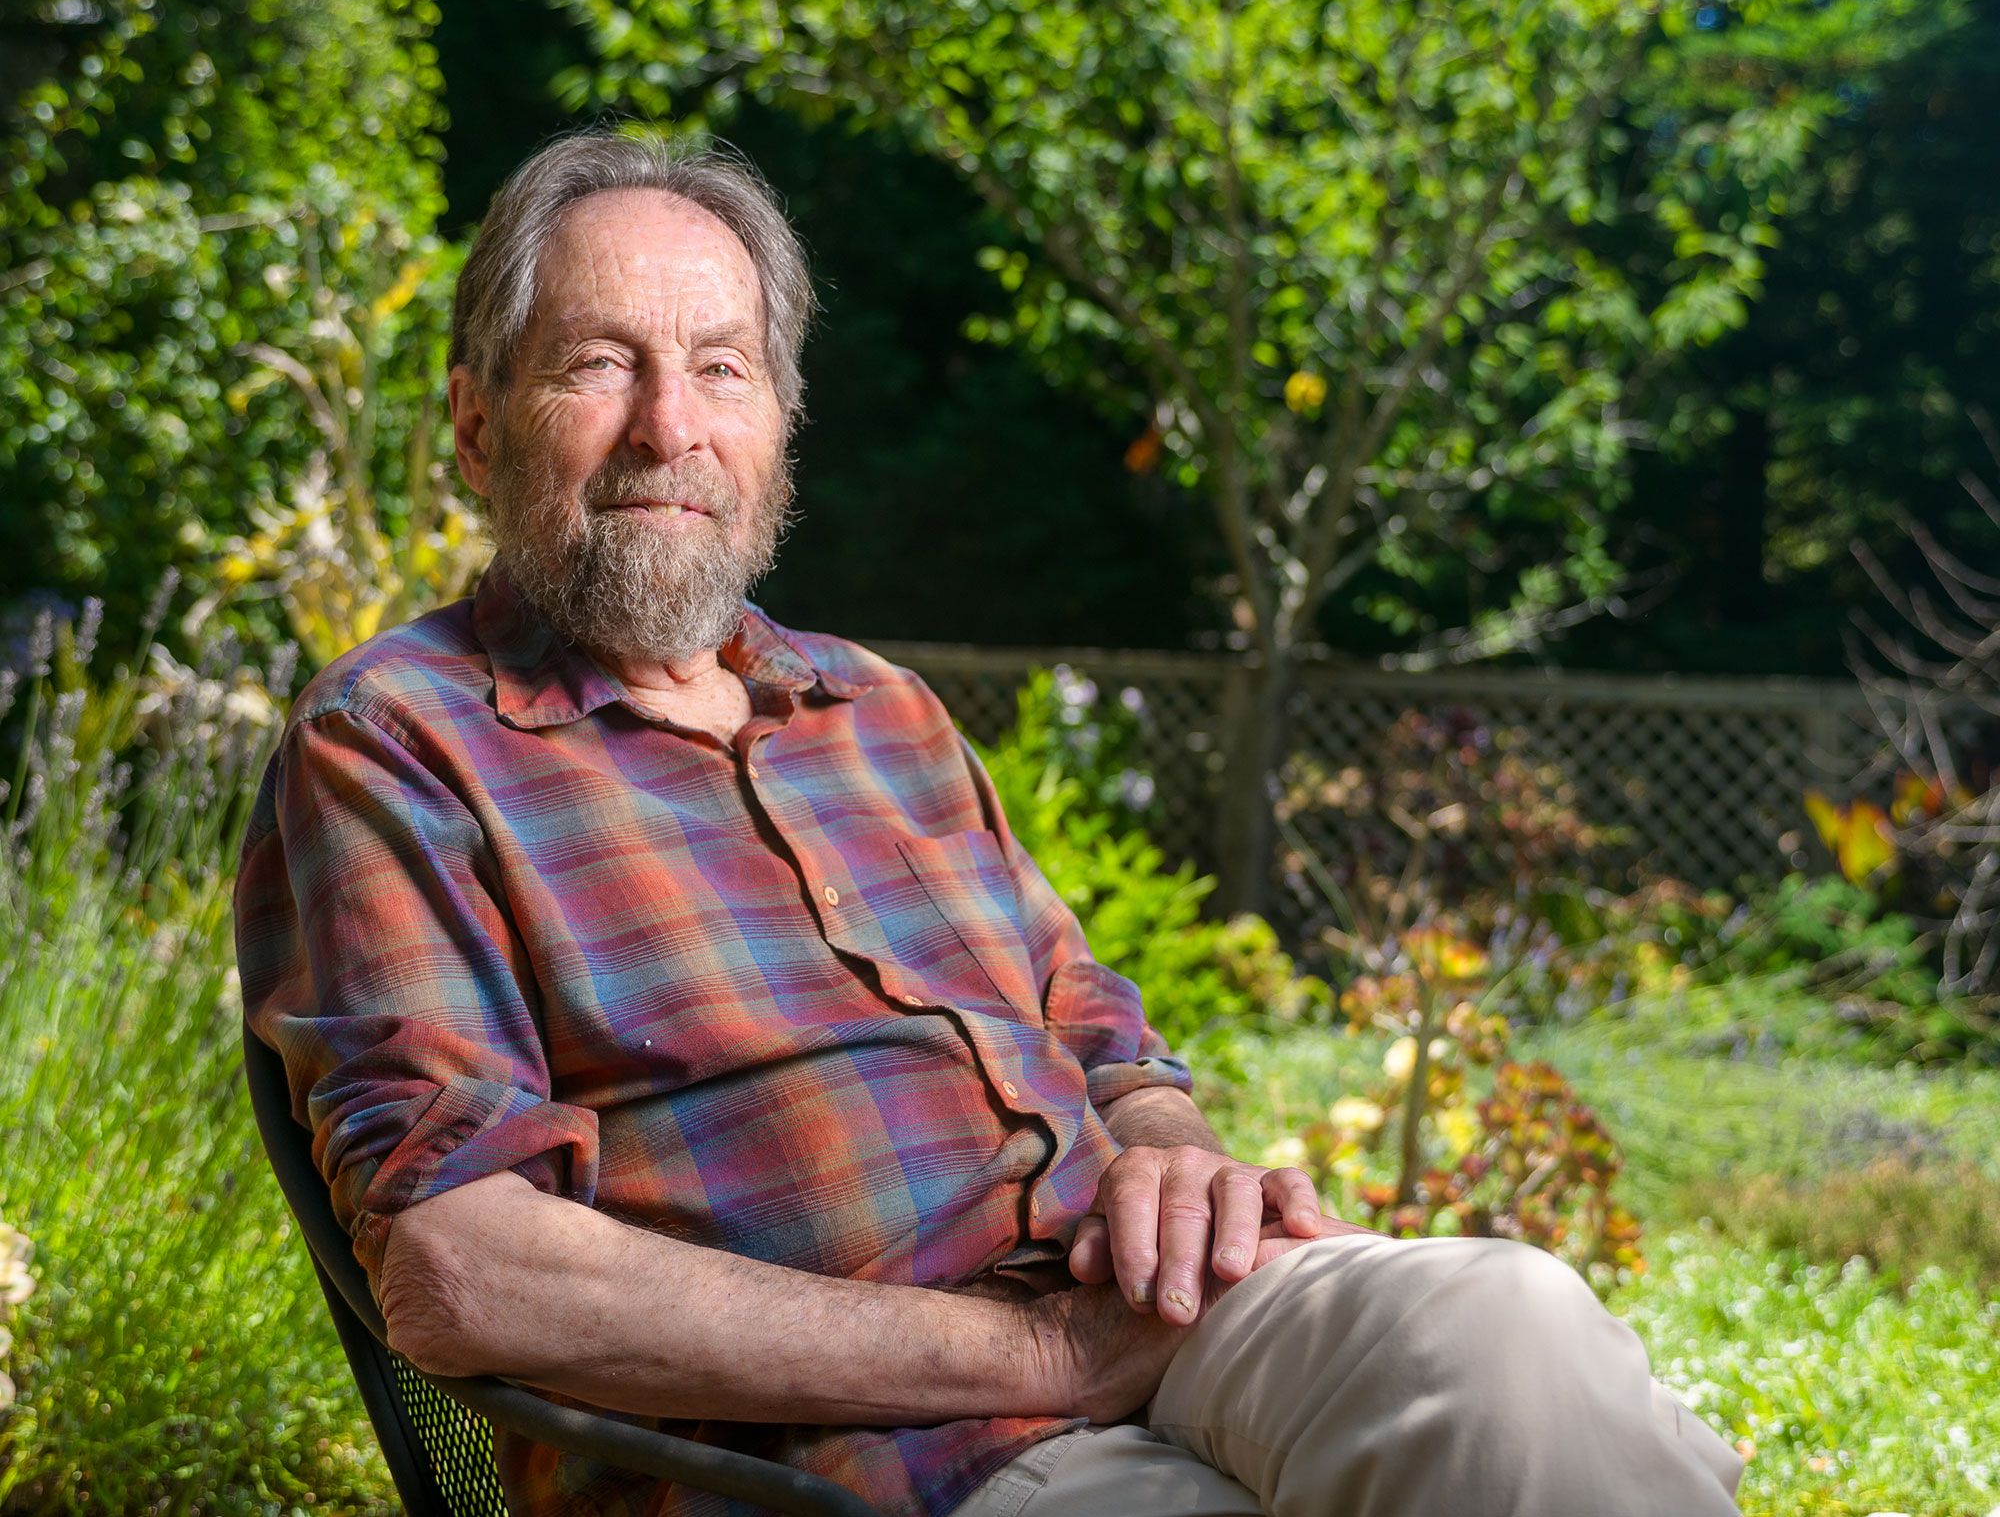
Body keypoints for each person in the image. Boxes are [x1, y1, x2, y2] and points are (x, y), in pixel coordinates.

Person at [235, 129, 1745, 1517]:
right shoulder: (400, 742)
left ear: (779, 426)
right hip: (870, 1450)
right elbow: (464, 1270)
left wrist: (1170, 1155)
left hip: (1145, 1310)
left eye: (723, 368)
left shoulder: (875, 708)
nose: (668, 428)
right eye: (598, 366)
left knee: (1516, 1331)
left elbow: (1098, 1035)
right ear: (477, 421)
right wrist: (1034, 1359)